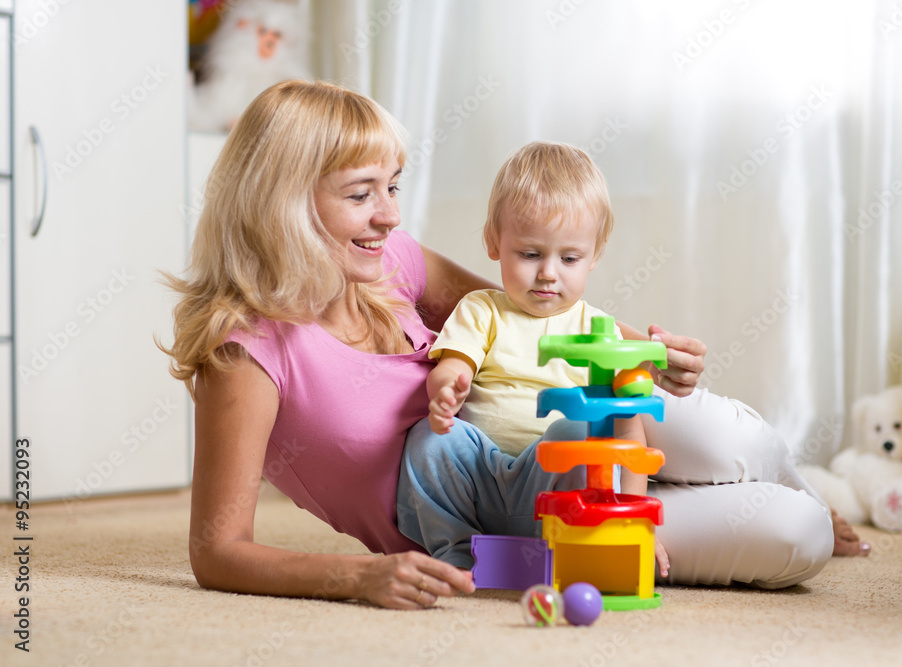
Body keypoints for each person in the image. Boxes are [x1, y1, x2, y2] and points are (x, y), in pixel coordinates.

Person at [163, 79, 865, 612]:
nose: (390, 214)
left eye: (393, 186)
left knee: (732, 436)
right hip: (506, 518)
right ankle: (799, 504)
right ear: (284, 201)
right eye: (361, 194)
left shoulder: (390, 260)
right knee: (795, 535)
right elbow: (217, 550)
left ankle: (798, 480)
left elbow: (532, 310)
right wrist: (357, 575)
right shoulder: (246, 352)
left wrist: (646, 350)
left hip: (554, 418)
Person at [416, 141, 667, 572]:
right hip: (481, 478)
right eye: (530, 254)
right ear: (494, 242)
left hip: (554, 487)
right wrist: (446, 388)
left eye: (569, 258)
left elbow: (628, 429)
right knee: (428, 438)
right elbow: (454, 364)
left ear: (595, 256)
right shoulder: (483, 309)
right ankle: (454, 550)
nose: (548, 272)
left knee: (582, 432)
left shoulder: (598, 330)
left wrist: (638, 522)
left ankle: (579, 539)